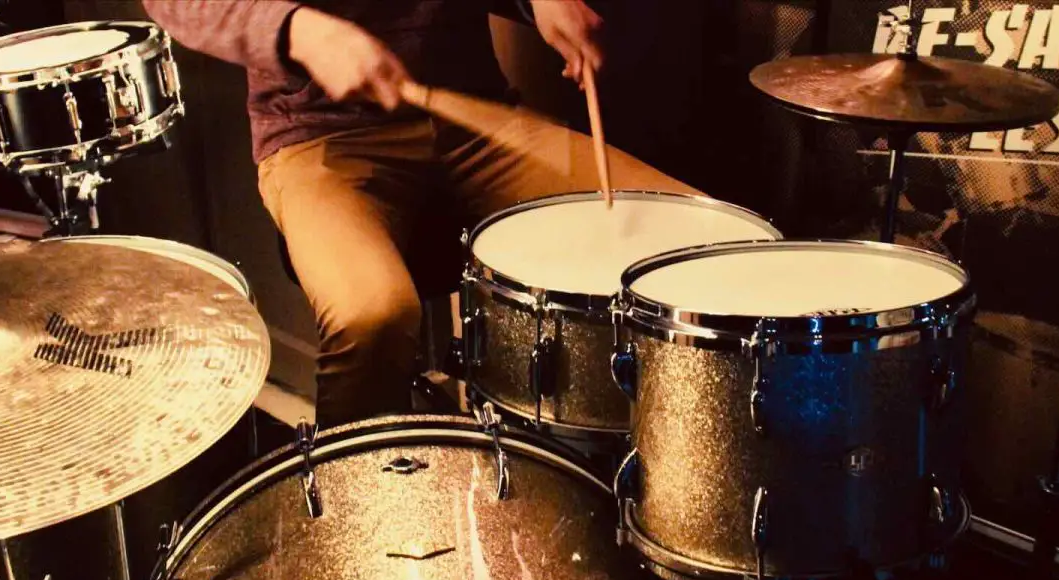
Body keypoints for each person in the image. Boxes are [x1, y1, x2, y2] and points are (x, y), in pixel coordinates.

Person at [142, 0, 696, 426]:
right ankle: (355, 521)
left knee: (685, 237)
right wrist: (298, 28)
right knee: (372, 316)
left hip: (476, 121)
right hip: (318, 137)